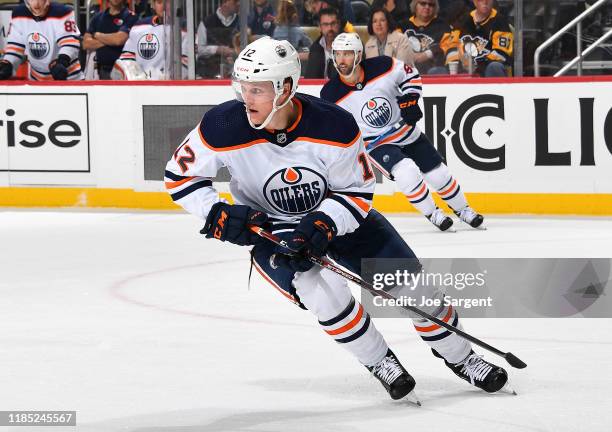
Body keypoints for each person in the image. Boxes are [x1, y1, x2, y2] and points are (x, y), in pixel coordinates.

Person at [165, 36, 509, 401]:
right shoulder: (221, 125)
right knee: (320, 291)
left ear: (284, 89)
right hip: (271, 227)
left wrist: (324, 223)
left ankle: (462, 358)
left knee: (415, 289)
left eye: (257, 89)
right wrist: (216, 211)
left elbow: (356, 194)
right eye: (242, 87)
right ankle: (380, 361)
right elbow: (179, 176)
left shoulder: (335, 126)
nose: (245, 98)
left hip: (338, 215)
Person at [321, 33, 485, 231]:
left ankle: (463, 209)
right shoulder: (330, 93)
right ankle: (433, 213)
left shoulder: (383, 65)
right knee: (406, 172)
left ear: (358, 54)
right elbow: (337, 127)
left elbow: (411, 76)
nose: (341, 60)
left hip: (407, 133)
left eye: (347, 54)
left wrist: (410, 98)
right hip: (377, 145)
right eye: (337, 54)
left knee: (438, 174)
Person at [0, 0, 83, 81]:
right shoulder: (18, 14)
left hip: (70, 79)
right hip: (37, 81)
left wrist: (62, 61)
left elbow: (70, 42)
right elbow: (15, 46)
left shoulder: (62, 12)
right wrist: (8, 63)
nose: (36, 4)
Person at [114, 0, 187, 79]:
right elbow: (126, 59)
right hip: (142, 86)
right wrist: (136, 77)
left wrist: (166, 78)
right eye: (159, 2)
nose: (164, 6)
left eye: (168, 2)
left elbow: (187, 65)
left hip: (172, 86)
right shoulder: (139, 26)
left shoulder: (185, 28)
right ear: (153, 5)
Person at [455, 0, 513, 77]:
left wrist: (478, 67)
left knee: (494, 67)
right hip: (465, 71)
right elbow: (452, 45)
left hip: (488, 71)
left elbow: (501, 54)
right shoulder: (464, 20)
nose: (485, 2)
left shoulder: (500, 22)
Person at [82, 0, 138, 80]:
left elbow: (119, 40)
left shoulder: (131, 17)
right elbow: (86, 44)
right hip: (101, 71)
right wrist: (111, 40)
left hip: (124, 71)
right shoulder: (98, 17)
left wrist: (96, 35)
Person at [404, 0, 460, 74]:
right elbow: (394, 46)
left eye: (431, 5)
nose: (427, 7)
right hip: (406, 71)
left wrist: (429, 53)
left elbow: (450, 46)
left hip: (433, 73)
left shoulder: (443, 26)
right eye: (423, 3)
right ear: (415, 5)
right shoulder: (403, 25)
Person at [197, 0, 240, 78]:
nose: (238, 4)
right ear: (224, 2)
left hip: (236, 74)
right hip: (209, 75)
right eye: (235, 1)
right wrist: (218, 49)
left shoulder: (242, 22)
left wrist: (234, 52)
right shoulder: (206, 23)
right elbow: (200, 50)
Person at [304, 7, 341, 78]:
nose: (330, 28)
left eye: (333, 24)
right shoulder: (315, 48)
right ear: (320, 26)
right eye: (325, 24)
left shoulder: (349, 45)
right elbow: (310, 78)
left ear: (338, 24)